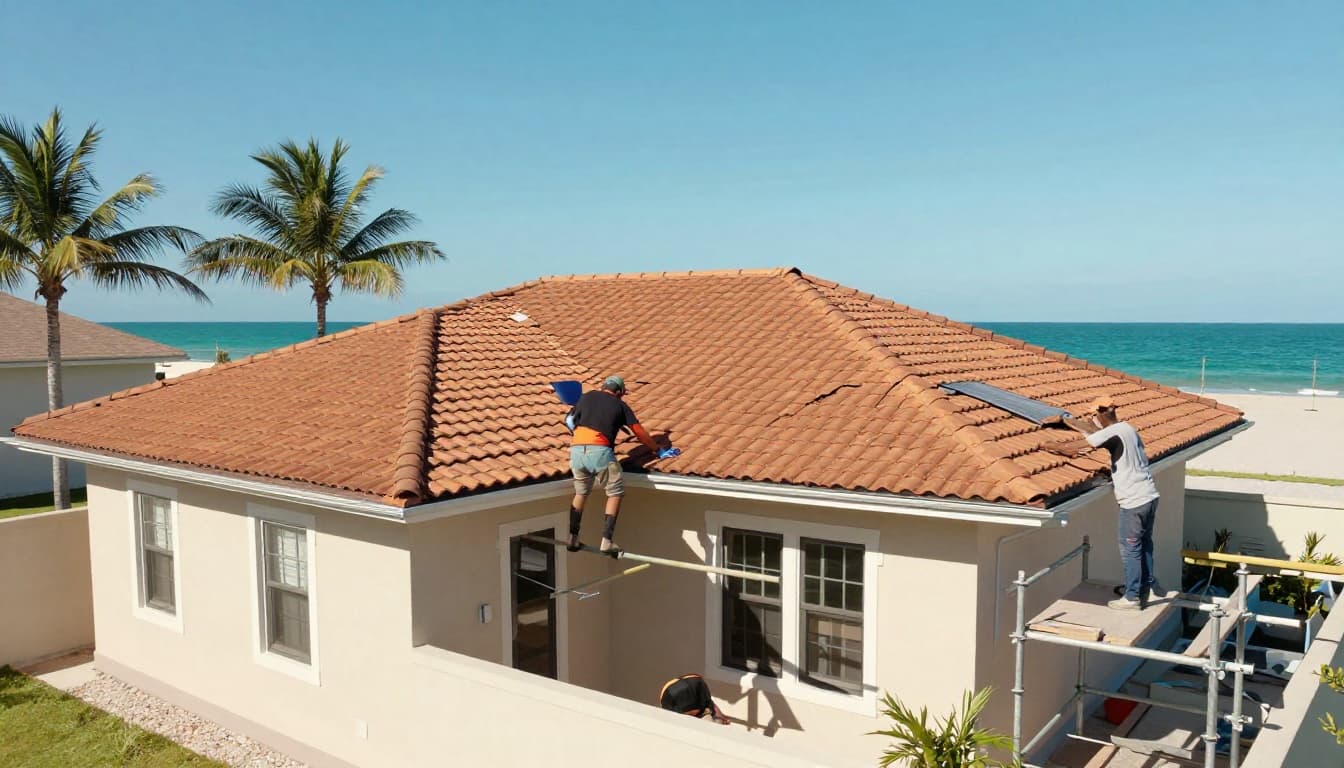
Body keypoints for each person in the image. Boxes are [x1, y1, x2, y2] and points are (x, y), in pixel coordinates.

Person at [1050, 396, 1162, 610]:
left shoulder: (1113, 432)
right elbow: (1097, 435)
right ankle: (1144, 589)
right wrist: (1071, 421)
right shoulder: (1126, 428)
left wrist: (1050, 445)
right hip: (1149, 495)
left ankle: (1131, 598)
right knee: (1145, 545)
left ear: (1100, 414)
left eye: (1094, 416)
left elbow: (1075, 447)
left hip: (1133, 501)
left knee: (1130, 549)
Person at [565, 375, 675, 556]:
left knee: (581, 493)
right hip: (599, 451)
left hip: (576, 451)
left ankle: (572, 537)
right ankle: (607, 541)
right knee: (615, 492)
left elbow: (569, 421)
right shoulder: (620, 405)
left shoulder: (586, 397)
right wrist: (657, 449)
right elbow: (639, 432)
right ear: (618, 392)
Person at [659, 673, 731, 724]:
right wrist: (722, 718)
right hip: (693, 683)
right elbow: (711, 705)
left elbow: (711, 705)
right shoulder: (702, 705)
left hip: (669, 691)